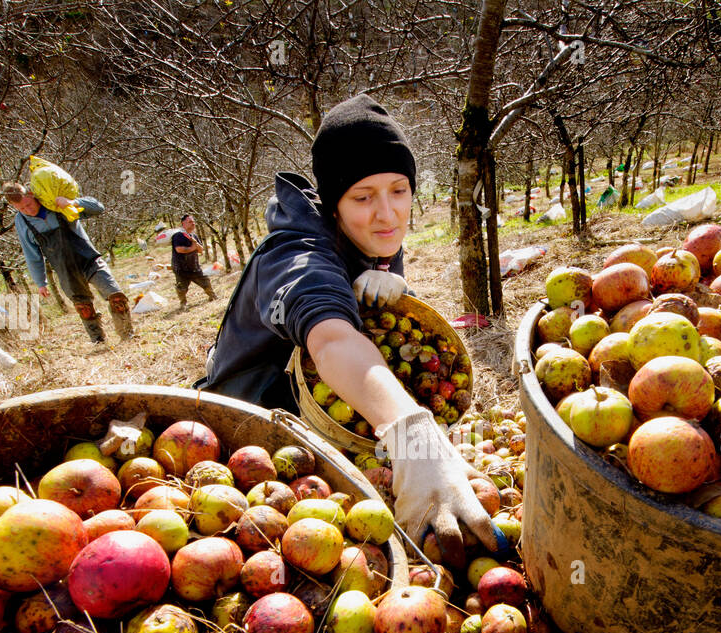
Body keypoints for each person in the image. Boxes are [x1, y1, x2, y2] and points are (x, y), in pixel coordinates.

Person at [197, 94, 499, 566]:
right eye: (362, 197)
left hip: (339, 420)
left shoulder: (370, 233)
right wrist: (412, 435)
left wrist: (391, 277)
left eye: (399, 190)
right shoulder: (295, 255)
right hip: (250, 432)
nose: (387, 214)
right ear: (334, 202)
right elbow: (332, 338)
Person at [3, 181, 133, 344]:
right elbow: (31, 253)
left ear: (31, 195)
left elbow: (98, 208)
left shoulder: (53, 202)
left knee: (116, 296)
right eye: (21, 209)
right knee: (84, 308)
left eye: (28, 204)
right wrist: (40, 282)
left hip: (89, 260)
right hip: (64, 270)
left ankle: (127, 336)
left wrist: (73, 202)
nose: (28, 210)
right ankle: (98, 342)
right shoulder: (22, 221)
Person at [170, 214, 218, 309]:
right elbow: (179, 249)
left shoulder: (194, 236)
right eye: (190, 222)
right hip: (181, 268)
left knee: (206, 282)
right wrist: (193, 247)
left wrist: (195, 243)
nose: (193, 224)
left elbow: (200, 250)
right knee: (181, 288)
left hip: (194, 266)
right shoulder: (178, 236)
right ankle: (183, 303)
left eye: (193, 222)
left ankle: (212, 296)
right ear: (183, 223)